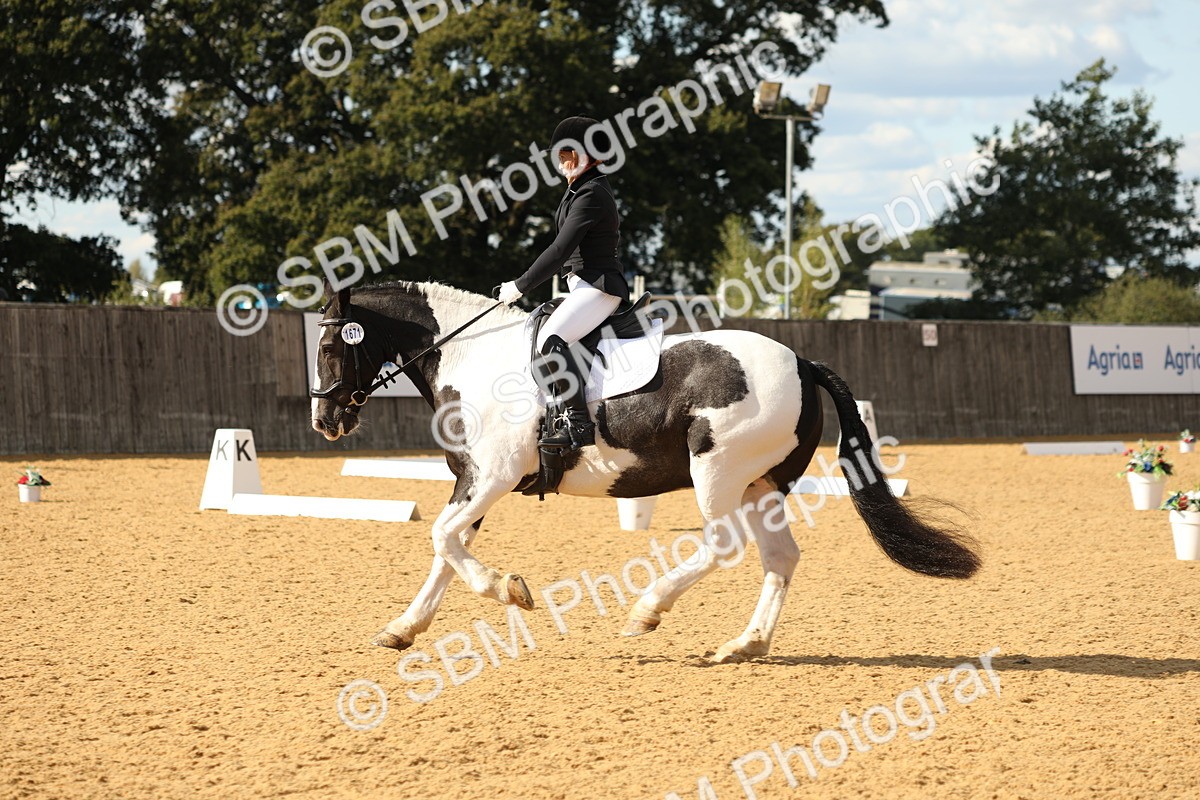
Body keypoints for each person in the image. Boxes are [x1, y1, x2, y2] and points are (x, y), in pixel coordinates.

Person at [498, 115, 630, 450]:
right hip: (583, 286)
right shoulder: (578, 190)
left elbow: (559, 250)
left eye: (569, 154)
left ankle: (580, 425)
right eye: (560, 156)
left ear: (589, 154)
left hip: (599, 287)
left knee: (550, 341)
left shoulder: (592, 193)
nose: (563, 162)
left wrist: (520, 285)